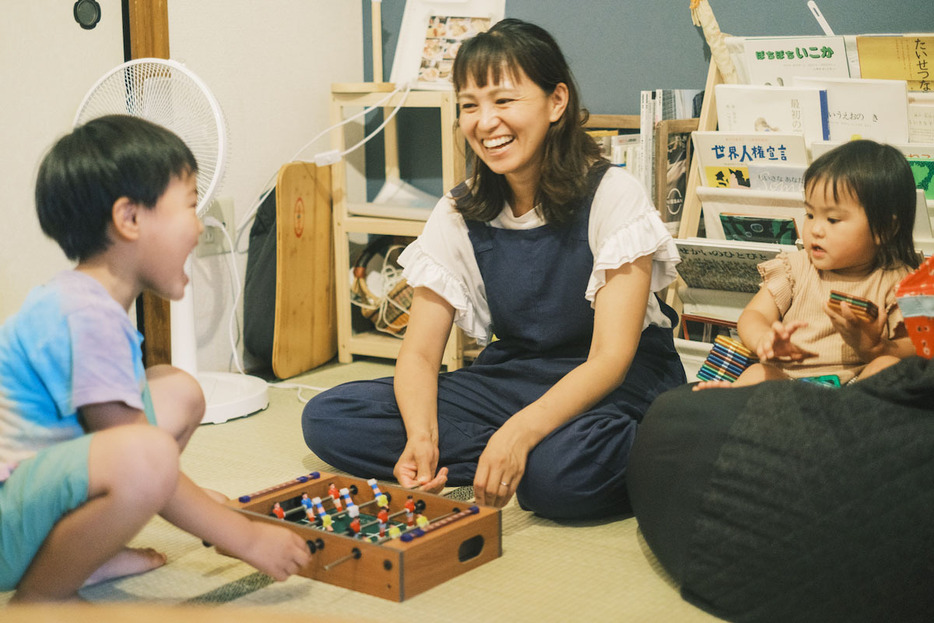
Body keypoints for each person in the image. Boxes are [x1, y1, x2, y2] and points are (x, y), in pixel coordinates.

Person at [302, 19, 686, 520]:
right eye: (469, 105)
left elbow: (610, 359)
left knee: (559, 480)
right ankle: (514, 456)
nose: (485, 122)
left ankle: (582, 450)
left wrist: (519, 431)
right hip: (514, 377)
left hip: (617, 380)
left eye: (504, 101)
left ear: (556, 102)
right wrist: (422, 437)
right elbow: (419, 356)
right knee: (333, 417)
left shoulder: (612, 194)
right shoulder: (459, 211)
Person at [0, 115, 311, 602]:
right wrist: (241, 535)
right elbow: (135, 453)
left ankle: (87, 552)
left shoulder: (87, 301)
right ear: (129, 219)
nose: (201, 223)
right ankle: (41, 599)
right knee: (148, 456)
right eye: (189, 205)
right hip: (6, 528)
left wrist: (182, 498)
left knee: (178, 390)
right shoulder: (86, 315)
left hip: (32, 495)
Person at [695, 140, 921, 390]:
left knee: (886, 366)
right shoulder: (795, 267)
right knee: (758, 371)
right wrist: (765, 340)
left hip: (855, 390)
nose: (815, 228)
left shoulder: (901, 282)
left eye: (833, 219)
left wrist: (877, 348)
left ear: (886, 229)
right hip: (789, 383)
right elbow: (754, 315)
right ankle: (729, 401)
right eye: (810, 215)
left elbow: (914, 352)